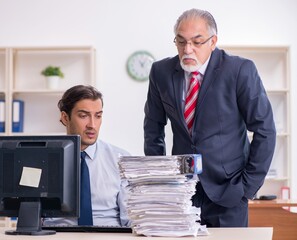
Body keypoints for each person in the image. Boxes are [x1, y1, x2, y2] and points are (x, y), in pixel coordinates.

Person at [143, 8, 276, 227]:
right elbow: (153, 128)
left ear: (213, 41)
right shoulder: (161, 72)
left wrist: (247, 187)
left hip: (230, 191)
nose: (188, 49)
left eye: (197, 42)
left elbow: (265, 130)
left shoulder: (240, 70)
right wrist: (161, 182)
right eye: (181, 41)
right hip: (182, 191)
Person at [43, 84, 130, 227]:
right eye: (83, 116)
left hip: (109, 235)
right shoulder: (44, 159)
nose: (92, 125)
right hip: (60, 235)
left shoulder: (121, 159)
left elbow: (131, 218)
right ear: (65, 118)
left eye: (98, 116)